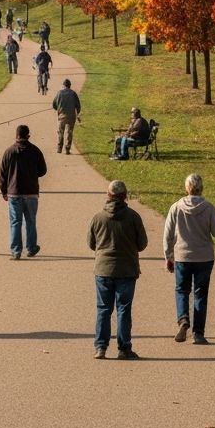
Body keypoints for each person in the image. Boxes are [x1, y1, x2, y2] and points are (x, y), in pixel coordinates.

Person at [163, 172, 215, 345]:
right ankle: (198, 333)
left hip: (183, 257)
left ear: (187, 188)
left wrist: (169, 256)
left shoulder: (176, 207)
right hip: (204, 258)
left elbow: (168, 235)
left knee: (182, 290)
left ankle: (183, 319)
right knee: (200, 294)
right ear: (201, 188)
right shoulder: (208, 208)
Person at [88, 179, 148, 359]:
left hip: (103, 270)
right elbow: (142, 244)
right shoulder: (133, 217)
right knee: (124, 309)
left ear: (108, 195)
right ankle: (124, 348)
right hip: (126, 270)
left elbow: (91, 244)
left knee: (103, 309)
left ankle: (100, 347)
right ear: (125, 196)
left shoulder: (98, 218)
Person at [0, 124, 47, 259]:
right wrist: (32, 173)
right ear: (28, 136)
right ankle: (31, 248)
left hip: (14, 192)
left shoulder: (9, 152)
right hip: (31, 192)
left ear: (16, 136)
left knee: (15, 222)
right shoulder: (35, 151)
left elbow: (2, 174)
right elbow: (43, 171)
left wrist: (4, 191)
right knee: (30, 221)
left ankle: (16, 251)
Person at [52, 77, 82, 154]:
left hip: (61, 116)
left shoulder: (59, 93)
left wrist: (58, 109)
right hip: (71, 116)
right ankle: (67, 149)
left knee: (60, 132)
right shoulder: (73, 93)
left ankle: (59, 148)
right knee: (69, 132)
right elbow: (78, 106)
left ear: (63, 85)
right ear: (70, 86)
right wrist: (77, 113)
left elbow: (54, 105)